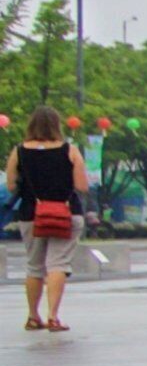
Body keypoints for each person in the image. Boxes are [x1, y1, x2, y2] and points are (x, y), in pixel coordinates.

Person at [15, 108, 84, 334]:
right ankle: (53, 316)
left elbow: (10, 185)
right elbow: (82, 186)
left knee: (34, 266)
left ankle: (33, 316)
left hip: (31, 213)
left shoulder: (19, 151)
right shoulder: (70, 151)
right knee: (58, 264)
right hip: (66, 213)